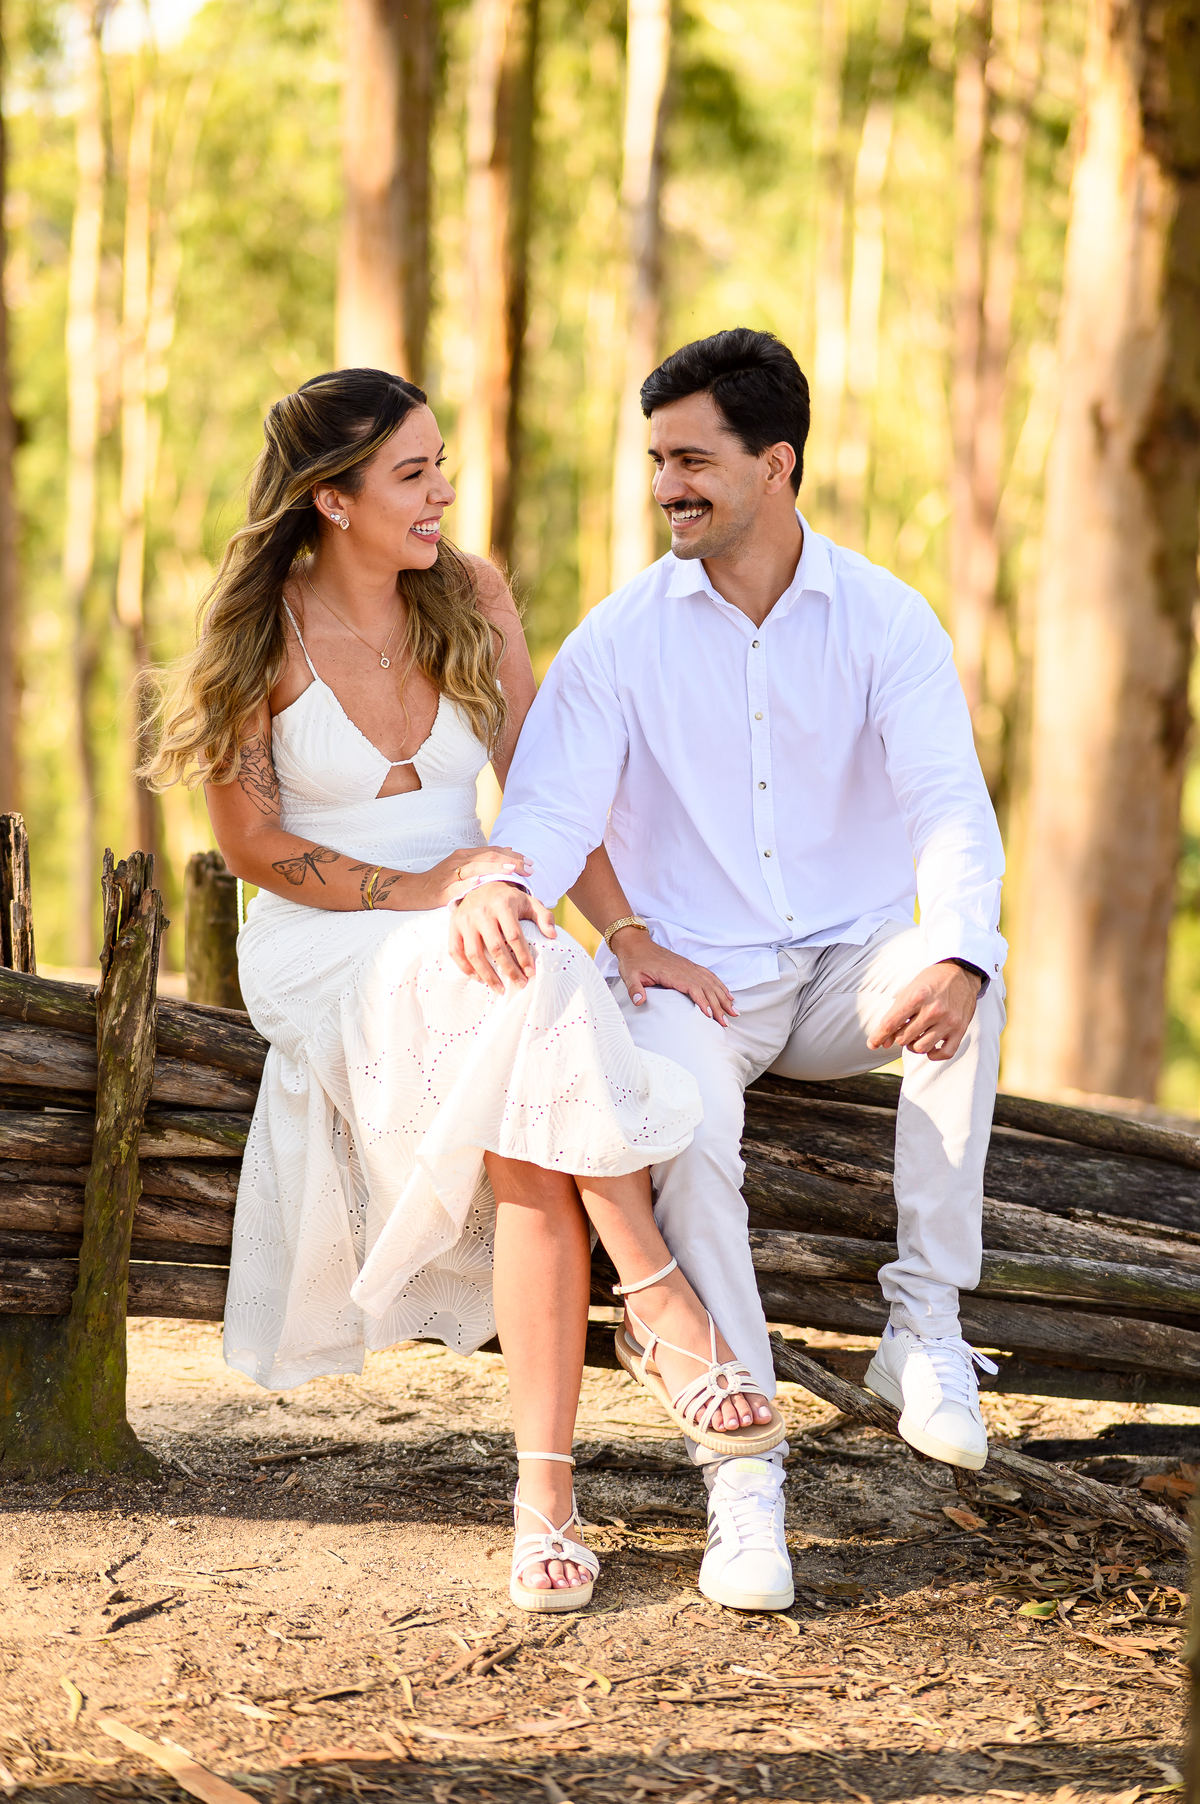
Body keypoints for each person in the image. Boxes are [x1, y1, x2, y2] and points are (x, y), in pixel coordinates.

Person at [144, 366, 787, 1615]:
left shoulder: (471, 595)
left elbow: (549, 787)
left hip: (485, 926)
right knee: (526, 980)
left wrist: (630, 929)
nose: (445, 491)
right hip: (334, 931)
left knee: (532, 1109)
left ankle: (546, 1504)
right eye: (413, 473)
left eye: (442, 462)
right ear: (332, 501)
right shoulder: (258, 631)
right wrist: (431, 887)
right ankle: (656, 1297)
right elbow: (257, 853)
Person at [450, 327, 1007, 1616]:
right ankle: (742, 1480)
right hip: (694, 977)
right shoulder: (620, 639)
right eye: (657, 462)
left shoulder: (887, 619)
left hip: (846, 968)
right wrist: (501, 877)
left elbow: (950, 810)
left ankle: (925, 1328)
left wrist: (959, 950)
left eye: (692, 459)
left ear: (777, 463)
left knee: (970, 971)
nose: (668, 486)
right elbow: (546, 804)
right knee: (684, 1122)